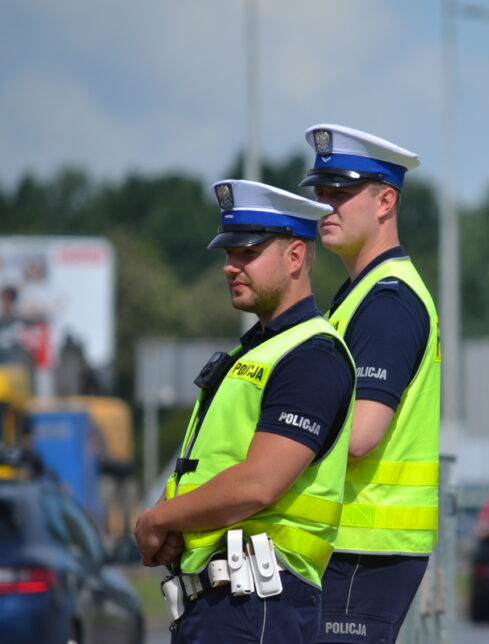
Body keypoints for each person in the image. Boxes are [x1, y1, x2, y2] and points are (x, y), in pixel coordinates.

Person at [134, 179, 356, 644]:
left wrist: (161, 519)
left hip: (258, 605)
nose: (229, 267)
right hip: (224, 606)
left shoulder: (312, 356)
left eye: (247, 253)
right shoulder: (253, 350)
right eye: (228, 254)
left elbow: (257, 484)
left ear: (295, 256)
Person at [298, 124, 440, 643]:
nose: (324, 207)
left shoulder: (387, 301)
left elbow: (360, 434)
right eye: (320, 193)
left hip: (366, 548)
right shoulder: (358, 295)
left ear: (385, 201)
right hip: (355, 544)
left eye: (341, 194)